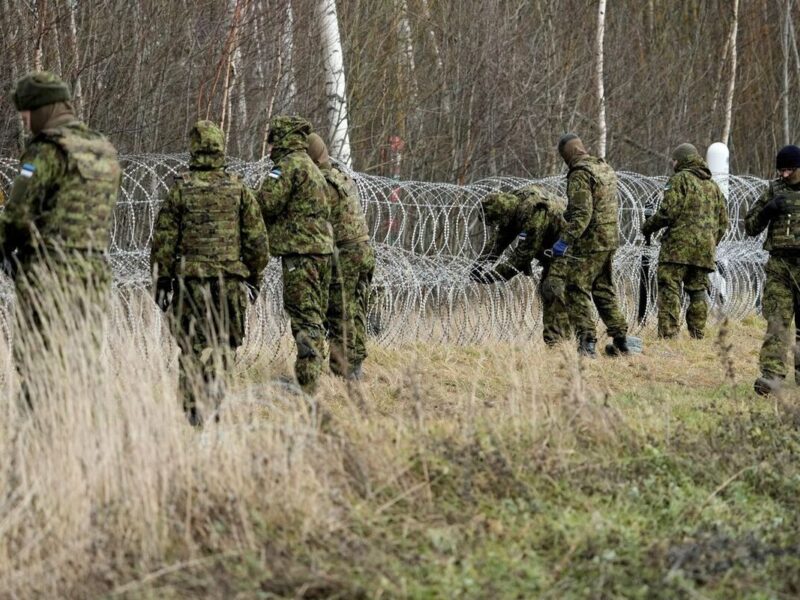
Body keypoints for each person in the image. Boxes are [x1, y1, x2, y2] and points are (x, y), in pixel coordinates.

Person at [0, 71, 121, 404]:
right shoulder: (102, 148)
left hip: (49, 271)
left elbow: (18, 212)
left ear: (44, 109)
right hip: (93, 270)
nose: (25, 121)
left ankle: (42, 430)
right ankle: (80, 426)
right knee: (82, 361)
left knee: (39, 364)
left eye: (27, 113)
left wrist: (5, 246)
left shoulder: (46, 151)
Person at [151, 120, 269, 426]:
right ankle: (214, 401)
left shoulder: (181, 189)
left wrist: (161, 281)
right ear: (220, 149)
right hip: (229, 283)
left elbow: (164, 240)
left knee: (192, 348)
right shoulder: (239, 189)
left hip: (190, 284)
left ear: (194, 149)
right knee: (224, 346)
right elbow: (257, 243)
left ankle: (193, 412)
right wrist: (254, 278)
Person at [257, 116, 333, 393]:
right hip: (320, 251)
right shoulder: (311, 167)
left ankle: (307, 384)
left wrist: (242, 195)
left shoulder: (288, 165)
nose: (270, 147)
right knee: (314, 315)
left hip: (301, 254)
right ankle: (311, 377)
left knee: (304, 316)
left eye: (273, 140)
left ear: (282, 139)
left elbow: (267, 203)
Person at [547, 133, 629, 357]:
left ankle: (587, 342)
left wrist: (565, 240)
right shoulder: (603, 168)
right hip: (609, 238)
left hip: (591, 241)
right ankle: (621, 340)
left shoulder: (580, 174)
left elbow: (583, 214)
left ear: (568, 154)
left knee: (575, 288)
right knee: (603, 289)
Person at [642, 143, 728, 339]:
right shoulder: (713, 187)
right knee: (698, 291)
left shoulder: (679, 180)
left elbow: (667, 212)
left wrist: (648, 226)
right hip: (704, 251)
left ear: (681, 160)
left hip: (677, 249)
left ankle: (669, 334)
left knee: (669, 287)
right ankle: (697, 334)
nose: (673, 164)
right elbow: (724, 222)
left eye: (674, 160)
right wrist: (710, 242)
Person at [307, 133, 375, 380]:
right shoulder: (340, 176)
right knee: (356, 308)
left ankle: (342, 371)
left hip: (346, 252)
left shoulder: (321, 184)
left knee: (339, 311)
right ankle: (355, 364)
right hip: (363, 249)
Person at [471, 186, 571, 345]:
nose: (498, 224)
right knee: (548, 290)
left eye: (497, 220)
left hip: (570, 245)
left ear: (502, 213)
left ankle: (563, 342)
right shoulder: (512, 206)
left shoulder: (532, 210)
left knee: (553, 287)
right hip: (554, 247)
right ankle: (556, 342)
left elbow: (524, 254)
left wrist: (494, 275)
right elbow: (499, 241)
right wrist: (479, 265)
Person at [744, 144, 800, 396]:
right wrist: (768, 210)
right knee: (777, 322)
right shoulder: (774, 190)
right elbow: (750, 226)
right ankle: (772, 376)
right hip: (780, 267)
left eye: (790, 170)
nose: (784, 175)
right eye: (781, 170)